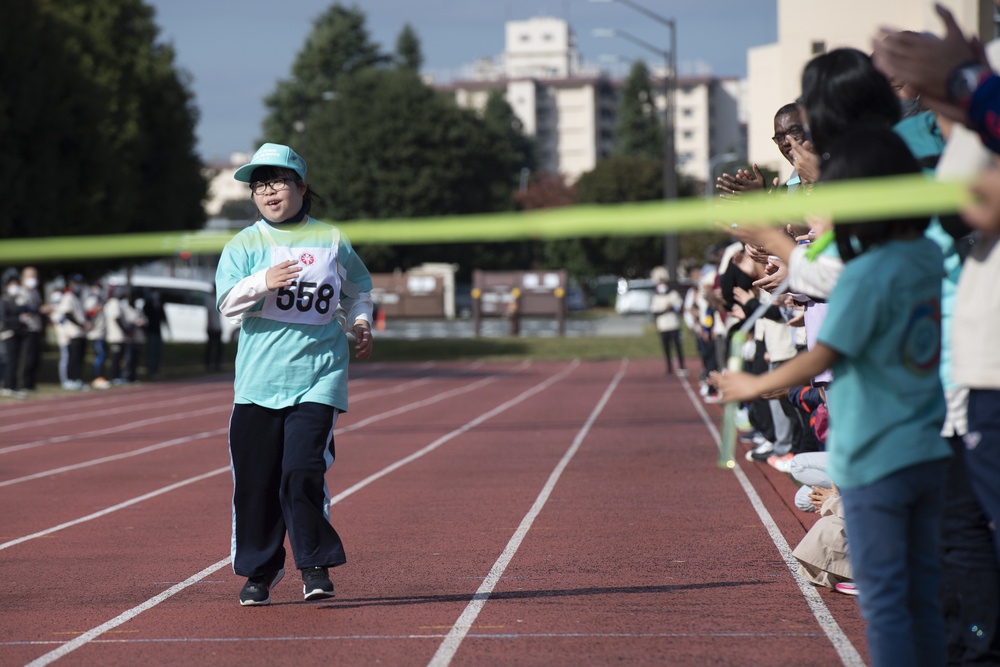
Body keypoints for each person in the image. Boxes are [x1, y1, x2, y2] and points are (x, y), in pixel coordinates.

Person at [719, 126, 951, 667]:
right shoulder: (905, 254)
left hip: (889, 417)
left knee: (896, 576)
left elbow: (829, 313)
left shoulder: (878, 262)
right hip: (903, 417)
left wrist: (758, 384)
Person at [216, 143, 374, 607]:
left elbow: (359, 290)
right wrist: (261, 282)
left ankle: (314, 565)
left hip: (318, 376)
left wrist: (360, 321)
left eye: (278, 182)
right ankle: (259, 573)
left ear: (301, 187)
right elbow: (226, 304)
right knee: (257, 481)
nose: (268, 192)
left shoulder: (331, 239)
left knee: (301, 471)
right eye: (259, 185)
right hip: (258, 383)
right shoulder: (244, 244)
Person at [648, 268, 685, 375]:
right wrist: (664, 309)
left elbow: (679, 306)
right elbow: (654, 311)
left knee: (678, 346)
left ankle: (681, 365)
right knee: (666, 348)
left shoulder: (673, 294)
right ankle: (669, 366)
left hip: (674, 325)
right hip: (663, 326)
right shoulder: (656, 297)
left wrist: (672, 307)